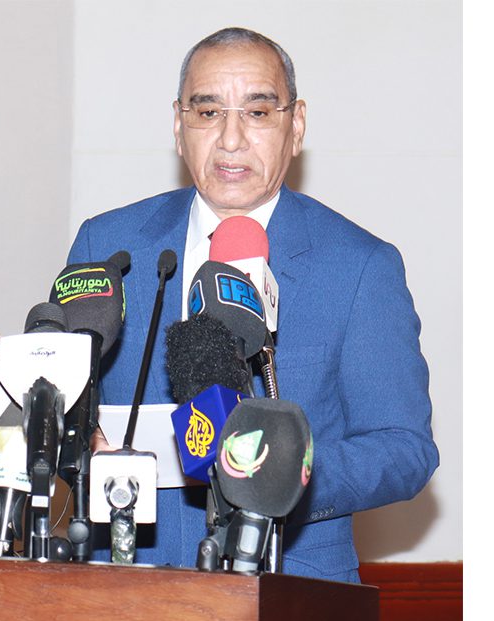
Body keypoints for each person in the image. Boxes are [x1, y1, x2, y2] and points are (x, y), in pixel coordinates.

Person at [67, 27, 438, 583]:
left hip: (291, 585)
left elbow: (404, 449)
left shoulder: (359, 266)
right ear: (179, 126)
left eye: (258, 113)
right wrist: (77, 444)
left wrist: (286, 471)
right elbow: (63, 406)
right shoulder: (110, 246)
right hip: (126, 580)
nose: (231, 139)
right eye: (208, 112)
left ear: (296, 126)